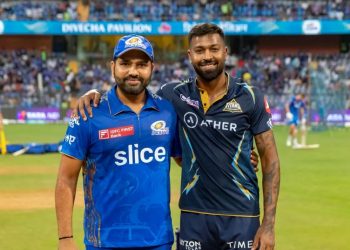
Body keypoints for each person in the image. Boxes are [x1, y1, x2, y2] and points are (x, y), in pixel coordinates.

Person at [75, 23, 280, 250]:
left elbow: (270, 160)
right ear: (190, 56)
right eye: (200, 51)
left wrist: (269, 225)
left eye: (214, 49)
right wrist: (94, 94)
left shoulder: (250, 97)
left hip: (242, 216)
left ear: (225, 52)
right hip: (193, 217)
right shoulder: (173, 95)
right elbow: (132, 91)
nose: (207, 56)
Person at [55, 34, 182, 250]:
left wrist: (237, 159)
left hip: (158, 240)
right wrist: (65, 238)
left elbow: (187, 161)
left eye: (141, 64)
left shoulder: (168, 111)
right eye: (125, 63)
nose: (133, 71)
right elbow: (66, 179)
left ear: (152, 67)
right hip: (104, 242)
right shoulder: (88, 114)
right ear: (112, 66)